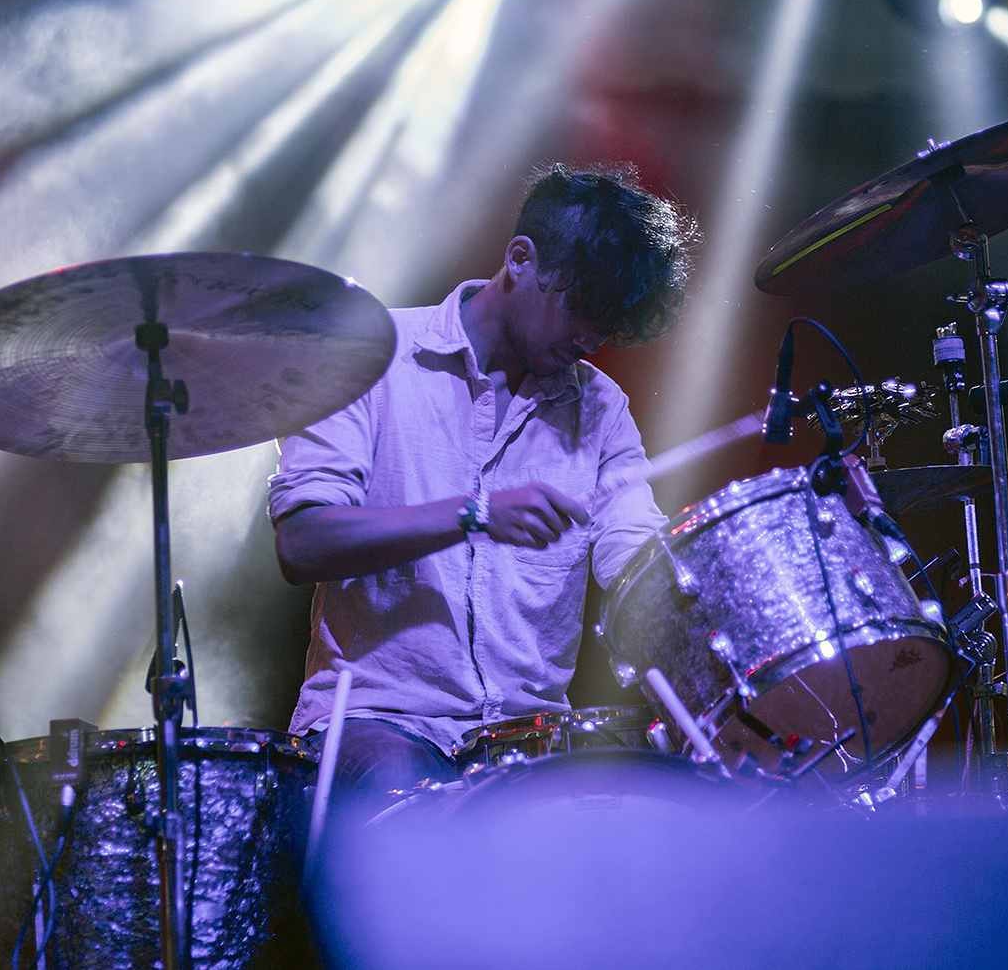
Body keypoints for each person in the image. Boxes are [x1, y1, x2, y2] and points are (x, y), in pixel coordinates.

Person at [269, 164, 698, 802]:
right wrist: (474, 513)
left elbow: (634, 557)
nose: (591, 339)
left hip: (529, 742)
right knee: (416, 815)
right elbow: (303, 542)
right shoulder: (369, 357)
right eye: (582, 307)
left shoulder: (602, 409)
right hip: (379, 722)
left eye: (608, 322)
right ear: (520, 259)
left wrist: (709, 585)